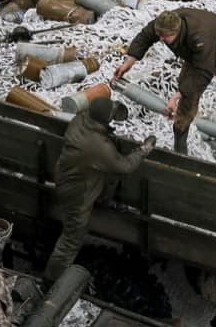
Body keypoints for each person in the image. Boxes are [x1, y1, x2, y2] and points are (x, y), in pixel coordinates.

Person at [113, 8, 216, 178]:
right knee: (187, 102)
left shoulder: (201, 36)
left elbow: (203, 73)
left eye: (166, 37)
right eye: (160, 36)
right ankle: (180, 141)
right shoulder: (166, 23)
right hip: (197, 57)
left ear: (177, 31)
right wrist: (130, 61)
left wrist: (178, 93)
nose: (162, 40)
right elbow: (146, 35)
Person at [44, 97, 156, 282]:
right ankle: (50, 282)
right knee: (71, 239)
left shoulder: (80, 120)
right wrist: (144, 149)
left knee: (103, 173)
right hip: (77, 194)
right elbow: (125, 166)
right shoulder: (99, 147)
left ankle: (103, 199)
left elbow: (101, 126)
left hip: (71, 176)